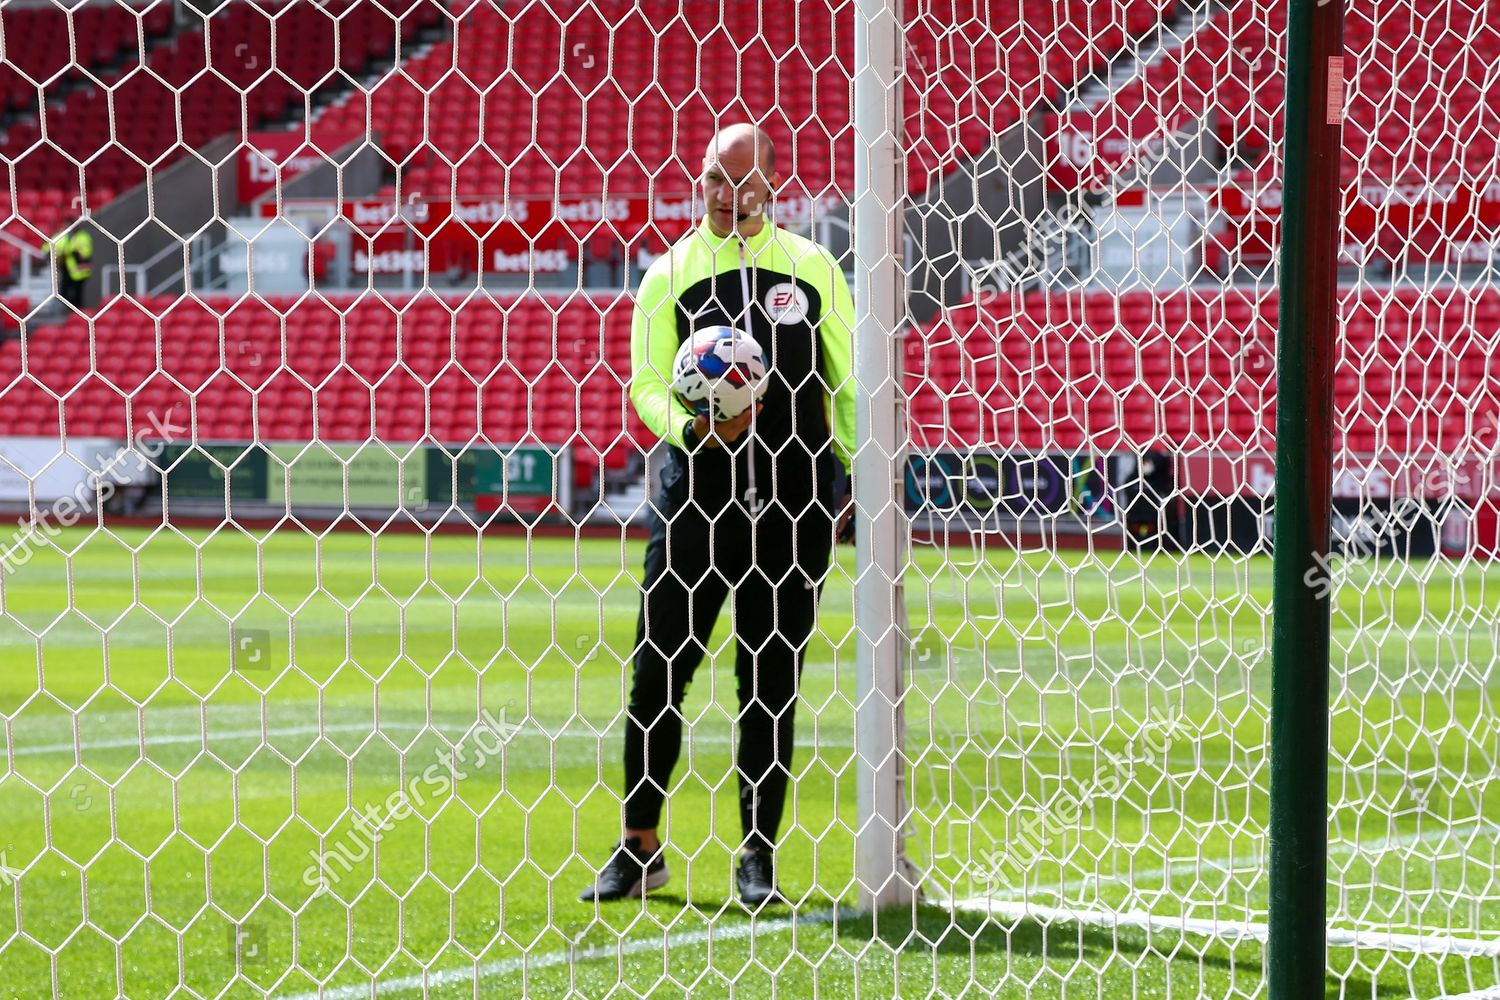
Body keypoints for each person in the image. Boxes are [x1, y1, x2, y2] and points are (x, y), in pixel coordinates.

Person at [579, 123, 856, 907]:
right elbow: (645, 386)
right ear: (698, 179)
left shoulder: (813, 270)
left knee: (769, 686)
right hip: (695, 504)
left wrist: (864, 479)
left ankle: (757, 856)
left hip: (794, 506)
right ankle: (639, 847)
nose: (726, 195)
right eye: (712, 179)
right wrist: (695, 428)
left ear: (773, 184)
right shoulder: (669, 274)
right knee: (656, 675)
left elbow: (851, 381)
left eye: (742, 182)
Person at [49, 224, 93, 310]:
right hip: (67, 269)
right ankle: (70, 310)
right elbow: (52, 248)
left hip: (80, 271)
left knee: (78, 294)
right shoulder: (62, 236)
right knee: (64, 292)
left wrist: (69, 252)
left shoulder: (83, 236)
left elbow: (85, 253)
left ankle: (77, 312)